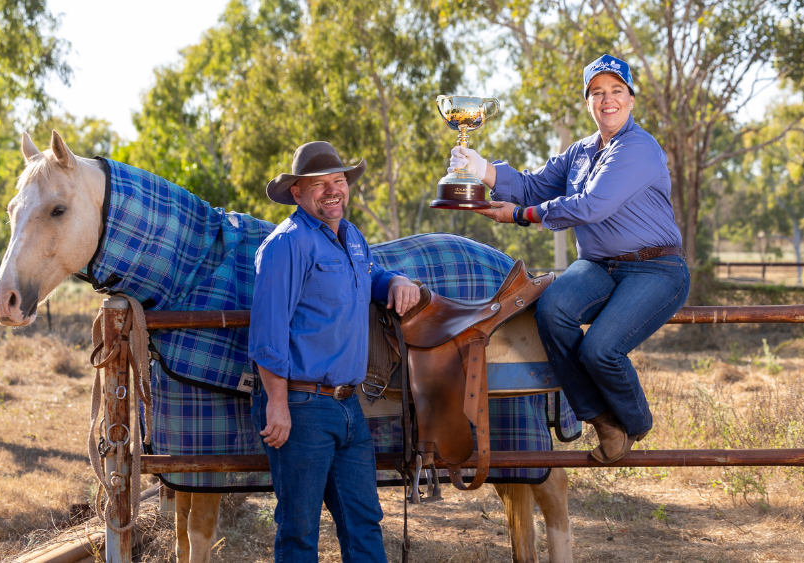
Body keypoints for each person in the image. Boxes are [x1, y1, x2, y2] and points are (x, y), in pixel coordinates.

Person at [449, 54, 690, 464]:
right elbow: (532, 185)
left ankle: (635, 419)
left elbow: (591, 206)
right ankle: (600, 419)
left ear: (631, 99)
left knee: (600, 349)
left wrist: (523, 215)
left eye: (616, 91)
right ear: (588, 102)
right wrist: (482, 169)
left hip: (655, 268)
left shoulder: (639, 148)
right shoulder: (579, 152)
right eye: (597, 92)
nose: (607, 99)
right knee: (552, 309)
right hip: (598, 266)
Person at [248, 141, 420, 562]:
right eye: (319, 184)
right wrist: (277, 403)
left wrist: (394, 280)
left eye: (338, 181)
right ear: (297, 192)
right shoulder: (286, 245)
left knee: (364, 521)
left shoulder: (351, 235)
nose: (332, 191)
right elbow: (268, 333)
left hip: (348, 405)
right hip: (301, 404)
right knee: (299, 530)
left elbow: (368, 273)